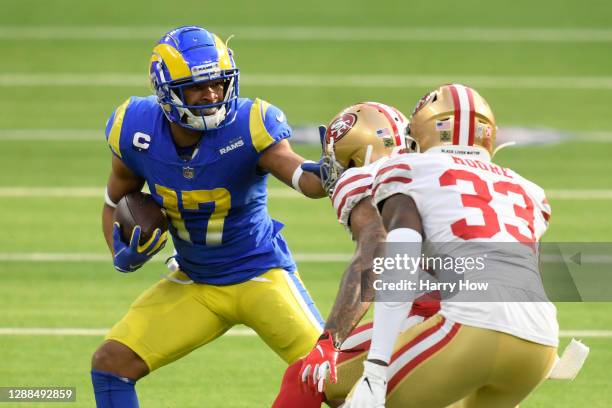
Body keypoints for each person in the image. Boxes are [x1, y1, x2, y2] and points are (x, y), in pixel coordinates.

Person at [276, 85, 559, 407]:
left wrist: (366, 361)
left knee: (310, 378)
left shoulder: (397, 171)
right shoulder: (527, 189)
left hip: (461, 322)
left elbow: (382, 256)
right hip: (541, 337)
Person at [90, 25, 326, 408]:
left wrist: (333, 172)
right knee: (110, 364)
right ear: (166, 91)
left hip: (261, 277)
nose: (212, 94)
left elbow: (303, 178)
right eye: (197, 87)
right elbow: (114, 200)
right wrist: (121, 253)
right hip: (196, 282)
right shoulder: (134, 129)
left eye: (218, 83)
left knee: (331, 378)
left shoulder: (250, 122)